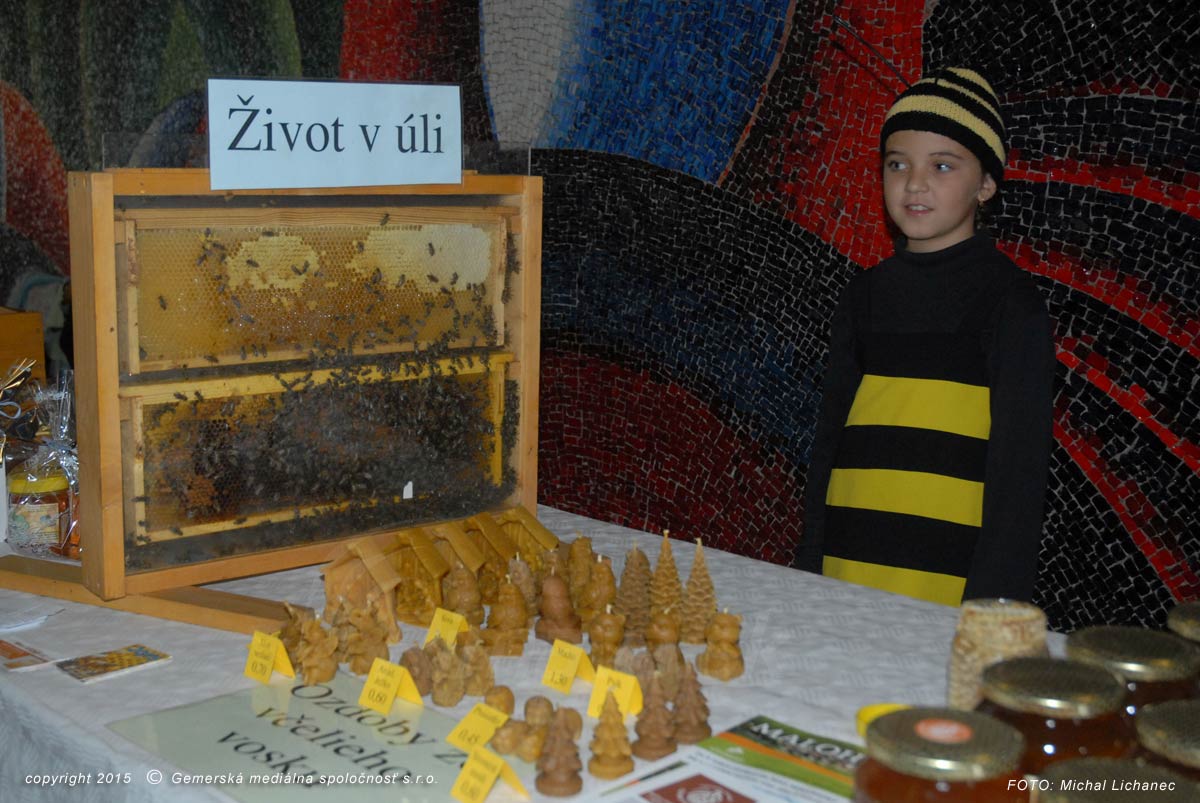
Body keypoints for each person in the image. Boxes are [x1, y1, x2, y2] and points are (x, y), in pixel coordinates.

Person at [796, 67, 1054, 606]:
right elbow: (828, 445)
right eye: (898, 164)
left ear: (986, 184)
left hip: (946, 590)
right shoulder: (862, 296)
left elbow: (1019, 476)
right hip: (845, 570)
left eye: (942, 165)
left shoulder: (1011, 303)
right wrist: (808, 571)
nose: (914, 183)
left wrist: (990, 608)